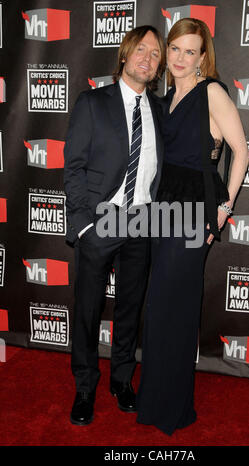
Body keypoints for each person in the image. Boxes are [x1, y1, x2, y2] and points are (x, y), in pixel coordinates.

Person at [136, 18, 249, 435]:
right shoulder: (165, 96)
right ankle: (156, 400)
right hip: (163, 208)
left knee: (176, 308)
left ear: (203, 57)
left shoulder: (212, 92)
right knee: (161, 306)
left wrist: (223, 208)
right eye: (175, 49)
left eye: (190, 51)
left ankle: (173, 408)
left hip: (194, 209)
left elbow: (242, 151)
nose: (180, 58)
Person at [63, 25, 165, 426]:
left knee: (129, 310)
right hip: (100, 221)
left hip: (142, 220)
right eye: (142, 49)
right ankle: (85, 386)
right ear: (125, 55)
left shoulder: (159, 109)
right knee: (88, 310)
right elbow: (73, 168)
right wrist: (86, 225)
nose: (148, 58)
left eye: (155, 54)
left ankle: (122, 379)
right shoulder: (92, 103)